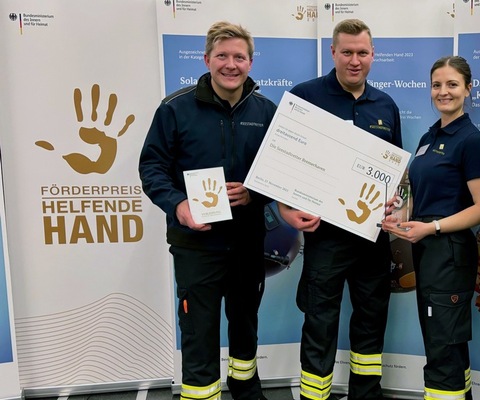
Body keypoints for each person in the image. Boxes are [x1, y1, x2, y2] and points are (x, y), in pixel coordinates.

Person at [139, 21, 277, 400]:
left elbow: (278, 175)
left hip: (248, 241)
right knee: (198, 330)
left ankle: (246, 389)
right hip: (195, 244)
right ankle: (200, 394)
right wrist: (178, 205)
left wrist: (253, 194)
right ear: (206, 59)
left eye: (239, 57)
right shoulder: (175, 108)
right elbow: (151, 167)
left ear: (250, 63)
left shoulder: (267, 111)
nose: (230, 65)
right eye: (222, 56)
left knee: (245, 323)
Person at [277, 18, 402, 400]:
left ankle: (367, 393)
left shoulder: (386, 105)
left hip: (372, 238)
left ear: (373, 55)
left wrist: (394, 200)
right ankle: (315, 396)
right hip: (325, 236)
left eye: (362, 52)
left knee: (371, 320)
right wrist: (285, 208)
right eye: (346, 52)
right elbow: (281, 162)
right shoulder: (305, 96)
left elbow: (394, 170)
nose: (354, 60)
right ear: (332, 52)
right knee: (320, 322)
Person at [382, 56, 480, 400]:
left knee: (443, 346)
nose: (443, 92)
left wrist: (432, 228)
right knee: (444, 341)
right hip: (428, 250)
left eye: (452, 84)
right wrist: (398, 216)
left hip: (449, 252)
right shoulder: (430, 137)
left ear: (468, 89)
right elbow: (423, 196)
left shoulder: (470, 141)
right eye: (436, 85)